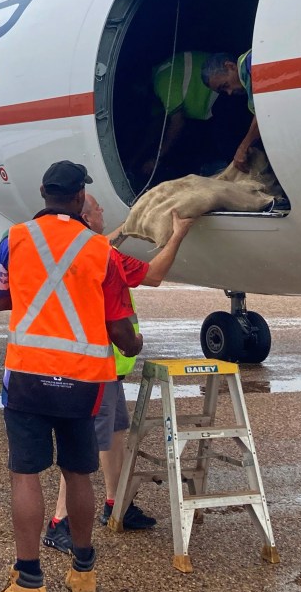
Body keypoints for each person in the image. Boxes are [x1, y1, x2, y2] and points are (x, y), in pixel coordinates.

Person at [0, 162, 142, 592]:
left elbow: (0, 299)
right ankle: (83, 575)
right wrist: (136, 341)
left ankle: (29, 586)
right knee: (78, 475)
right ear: (78, 199)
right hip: (83, 381)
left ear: (44, 193)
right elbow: (121, 329)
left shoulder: (14, 239)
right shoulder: (101, 251)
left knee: (26, 474)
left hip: (28, 377)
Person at [43, 196, 194, 553]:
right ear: (86, 217)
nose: (103, 214)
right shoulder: (100, 254)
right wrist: (178, 235)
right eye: (98, 211)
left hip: (105, 367)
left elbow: (104, 244)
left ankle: (117, 505)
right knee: (86, 444)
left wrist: (126, 230)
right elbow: (154, 275)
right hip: (93, 366)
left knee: (114, 434)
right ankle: (59, 521)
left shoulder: (81, 248)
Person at [134, 51, 219, 180]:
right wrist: (137, 157)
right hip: (210, 108)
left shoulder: (162, 81)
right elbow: (156, 126)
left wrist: (156, 159)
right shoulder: (157, 94)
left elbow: (177, 123)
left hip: (220, 93)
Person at [202, 50, 259, 173]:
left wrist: (244, 147)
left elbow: (264, 113)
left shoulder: (252, 66)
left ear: (231, 66)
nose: (229, 92)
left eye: (225, 85)